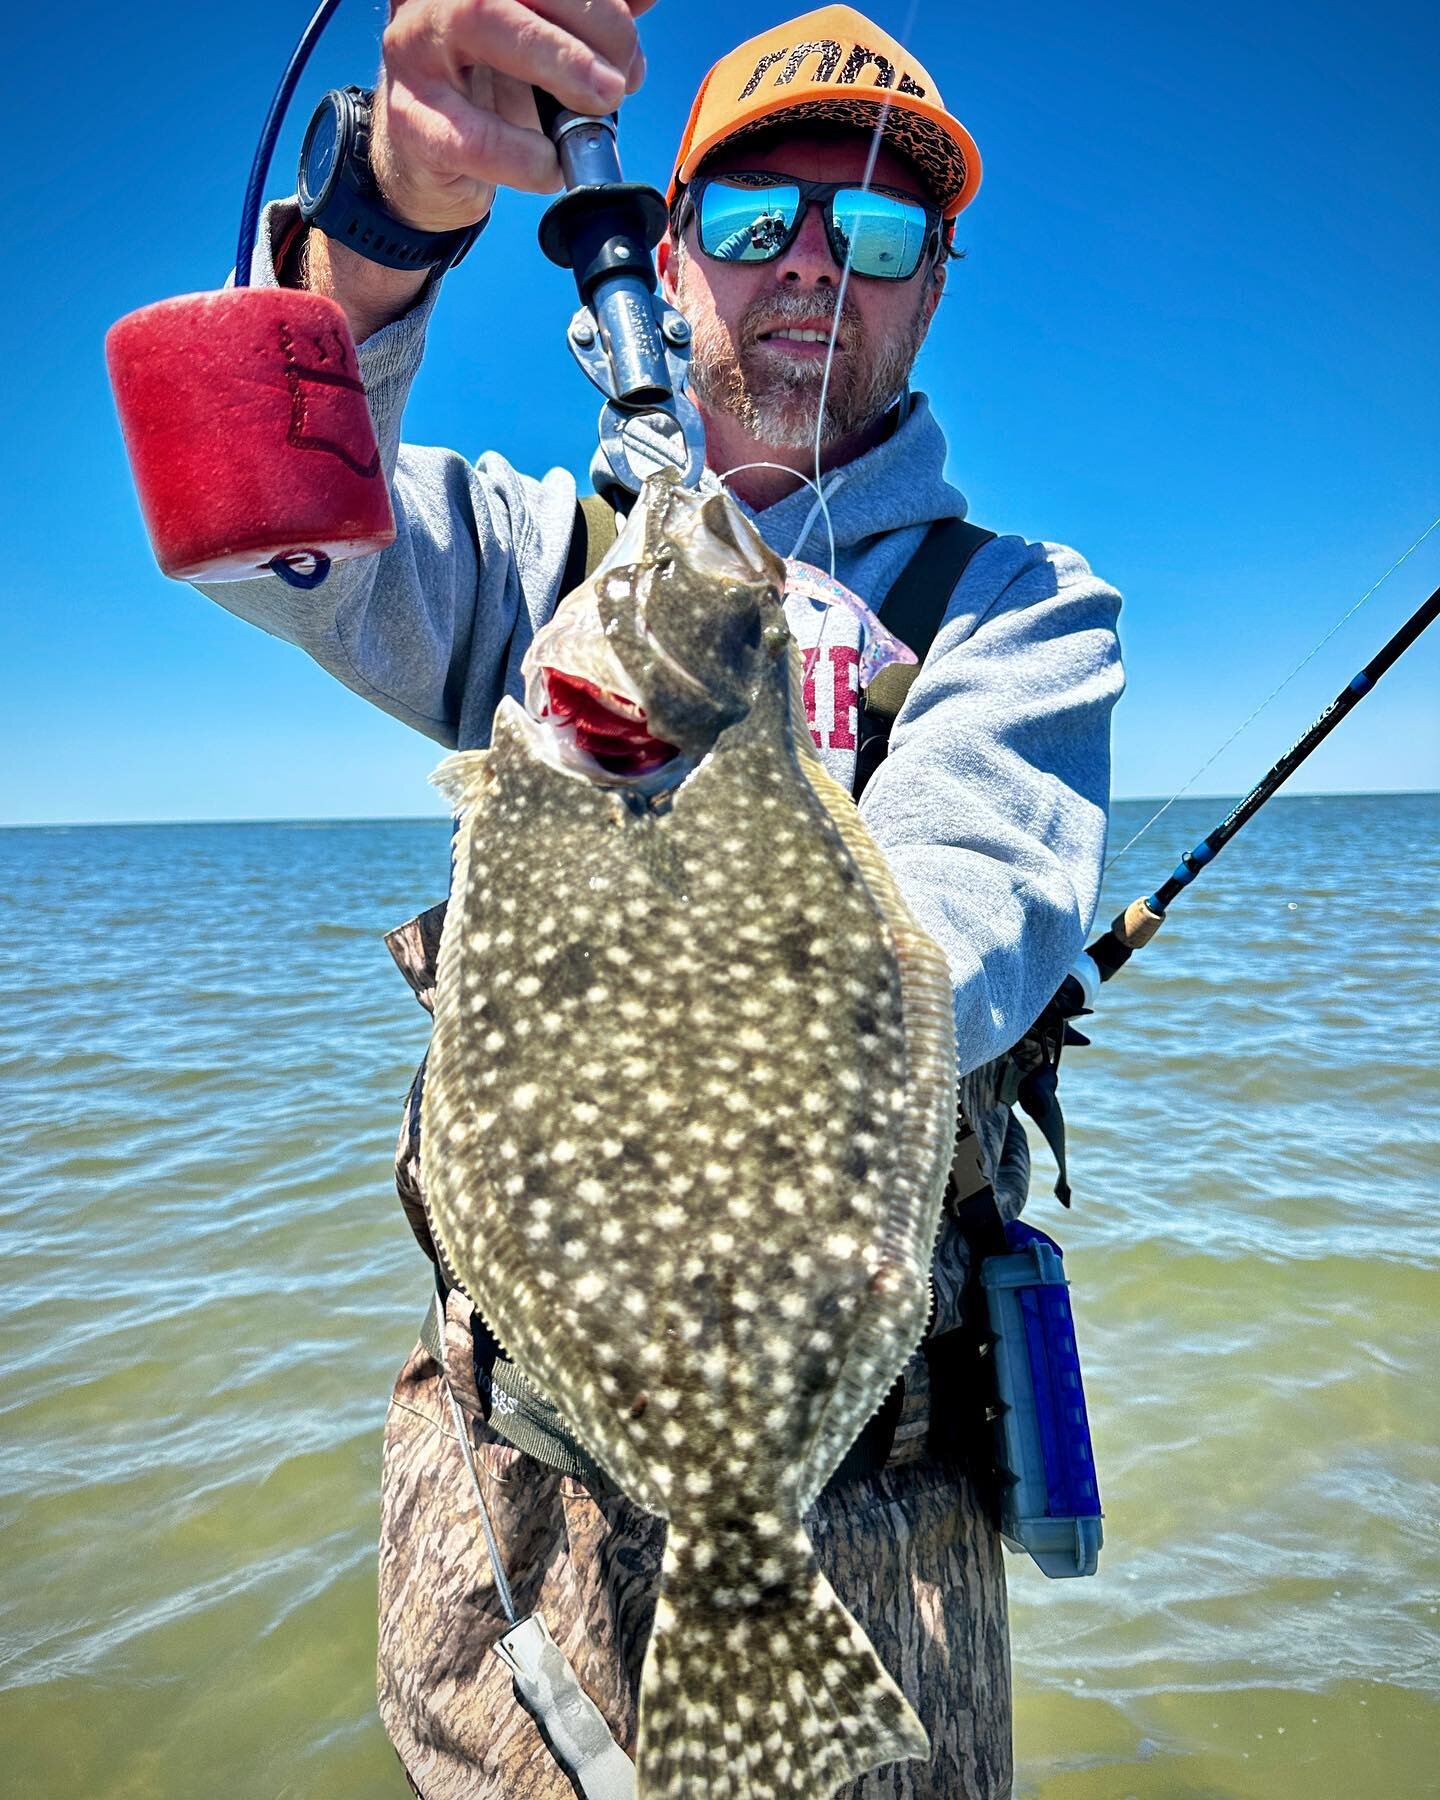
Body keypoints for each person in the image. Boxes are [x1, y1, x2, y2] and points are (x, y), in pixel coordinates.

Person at [196, 3, 1124, 1793]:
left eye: (872, 236)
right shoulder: (546, 568)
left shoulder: (1017, 610)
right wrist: (397, 203)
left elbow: (968, 936)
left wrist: (691, 787)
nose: (810, 272)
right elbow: (256, 515)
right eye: (756, 222)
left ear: (931, 290)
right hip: (506, 1494)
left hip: (868, 1517)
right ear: (672, 258)